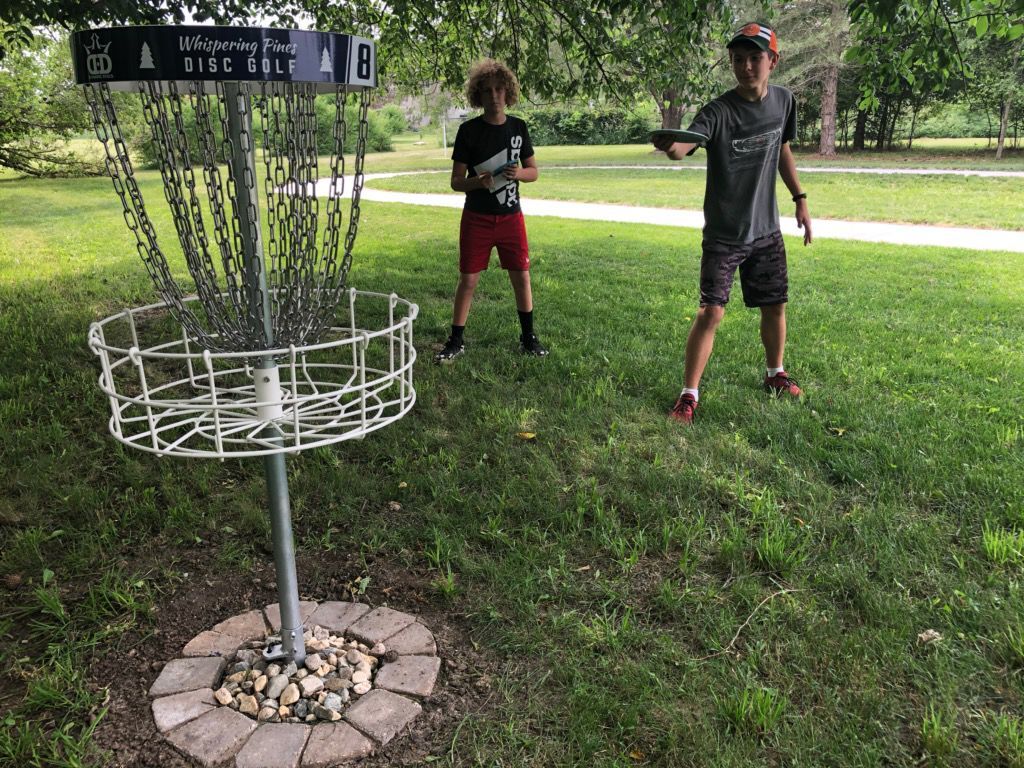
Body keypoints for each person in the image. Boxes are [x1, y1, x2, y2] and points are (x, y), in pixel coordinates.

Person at [652, 22, 813, 425]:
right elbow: (690, 140)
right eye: (738, 59)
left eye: (755, 58)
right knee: (711, 312)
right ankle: (689, 394)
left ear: (773, 60)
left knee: (775, 304)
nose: (746, 67)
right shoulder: (719, 110)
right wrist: (676, 148)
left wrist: (800, 199)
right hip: (725, 234)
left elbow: (783, 150)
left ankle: (775, 374)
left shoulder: (784, 102)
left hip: (766, 231)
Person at [434, 59, 548, 364]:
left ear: (508, 93)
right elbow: (456, 182)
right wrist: (477, 181)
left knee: (521, 277)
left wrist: (518, 175)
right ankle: (456, 340)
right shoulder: (468, 131)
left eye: (499, 89)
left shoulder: (518, 127)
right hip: (477, 218)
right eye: (487, 91)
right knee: (468, 280)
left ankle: (528, 338)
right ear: (478, 96)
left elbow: (534, 171)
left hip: (511, 217)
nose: (494, 96)